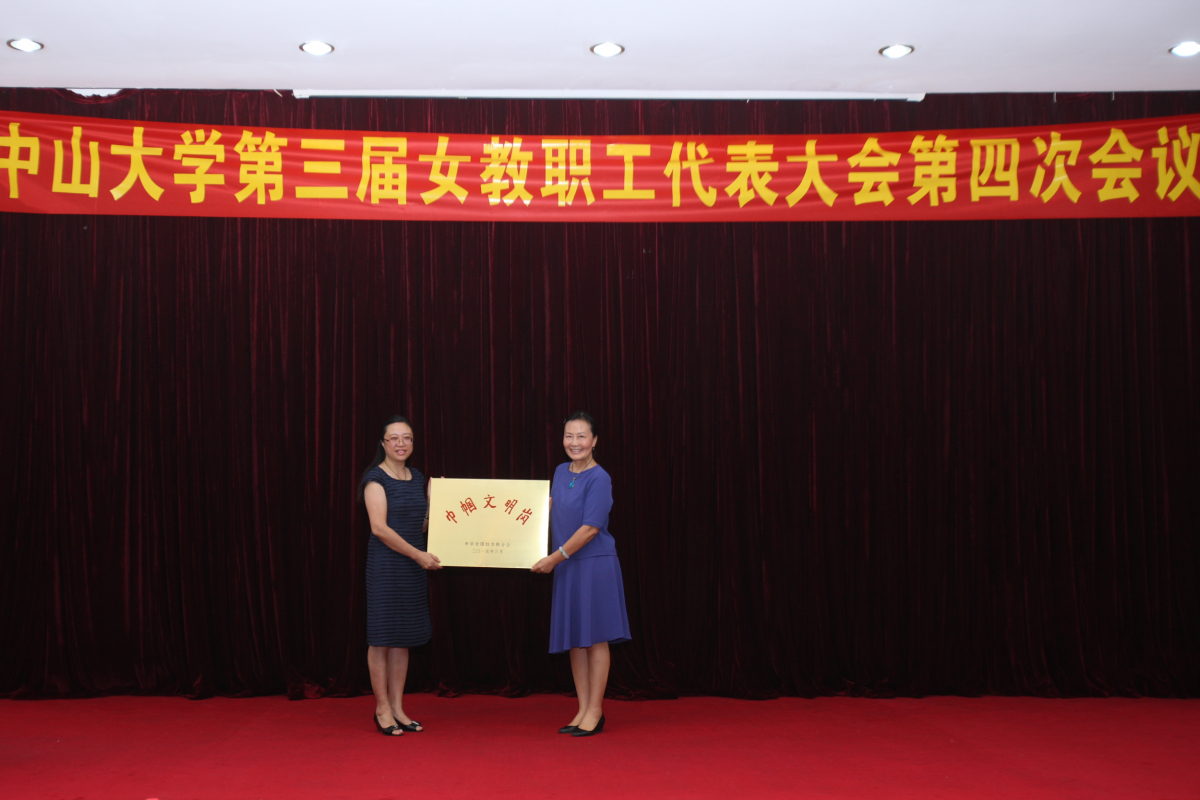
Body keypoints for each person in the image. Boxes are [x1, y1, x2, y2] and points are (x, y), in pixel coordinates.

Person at [531, 411, 631, 737]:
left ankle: (596, 711)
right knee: (575, 640)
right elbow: (545, 510)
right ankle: (583, 708)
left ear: (594, 440)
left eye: (581, 436)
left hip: (593, 564)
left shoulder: (600, 478)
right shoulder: (561, 471)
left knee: (595, 638)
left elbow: (590, 529)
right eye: (569, 436)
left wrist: (554, 558)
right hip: (566, 565)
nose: (574, 442)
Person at [360, 415, 441, 737]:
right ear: (383, 444)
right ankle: (382, 708)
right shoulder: (375, 479)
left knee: (403, 639)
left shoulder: (416, 476)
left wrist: (433, 502)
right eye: (393, 438)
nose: (401, 443)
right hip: (386, 566)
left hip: (411, 567)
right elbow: (379, 529)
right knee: (381, 638)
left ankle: (397, 707)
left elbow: (419, 526)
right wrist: (418, 555)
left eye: (406, 438)